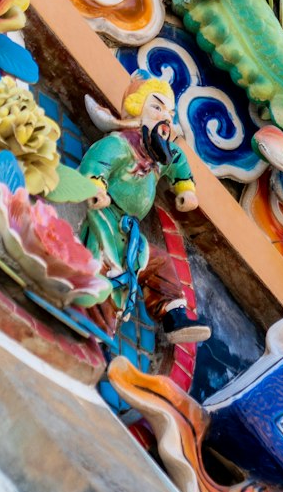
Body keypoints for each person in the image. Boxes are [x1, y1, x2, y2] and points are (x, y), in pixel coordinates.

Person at [79, 72, 210, 345]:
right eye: (157, 107)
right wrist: (95, 187)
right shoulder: (120, 144)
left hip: (131, 230)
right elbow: (98, 162)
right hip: (106, 218)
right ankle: (94, 332)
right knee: (106, 270)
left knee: (160, 262)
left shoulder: (161, 154)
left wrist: (185, 188)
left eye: (170, 113)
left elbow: (179, 163)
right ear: (138, 109)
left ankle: (175, 319)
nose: (165, 118)